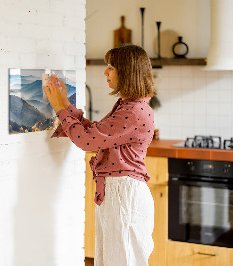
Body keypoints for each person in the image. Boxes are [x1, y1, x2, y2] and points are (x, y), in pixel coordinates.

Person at [44, 44, 156, 266]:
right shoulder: (129, 106)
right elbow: (95, 133)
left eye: (111, 67)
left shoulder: (133, 111)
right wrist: (65, 104)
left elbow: (87, 141)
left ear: (127, 72)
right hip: (119, 193)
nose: (105, 72)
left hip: (124, 195)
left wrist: (59, 107)